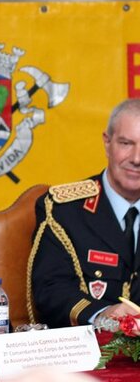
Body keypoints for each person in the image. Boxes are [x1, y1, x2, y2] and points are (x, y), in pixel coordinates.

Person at [30, 98, 140, 328]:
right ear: (107, 143)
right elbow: (50, 289)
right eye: (126, 143)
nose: (136, 159)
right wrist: (102, 315)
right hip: (88, 349)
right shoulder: (62, 210)